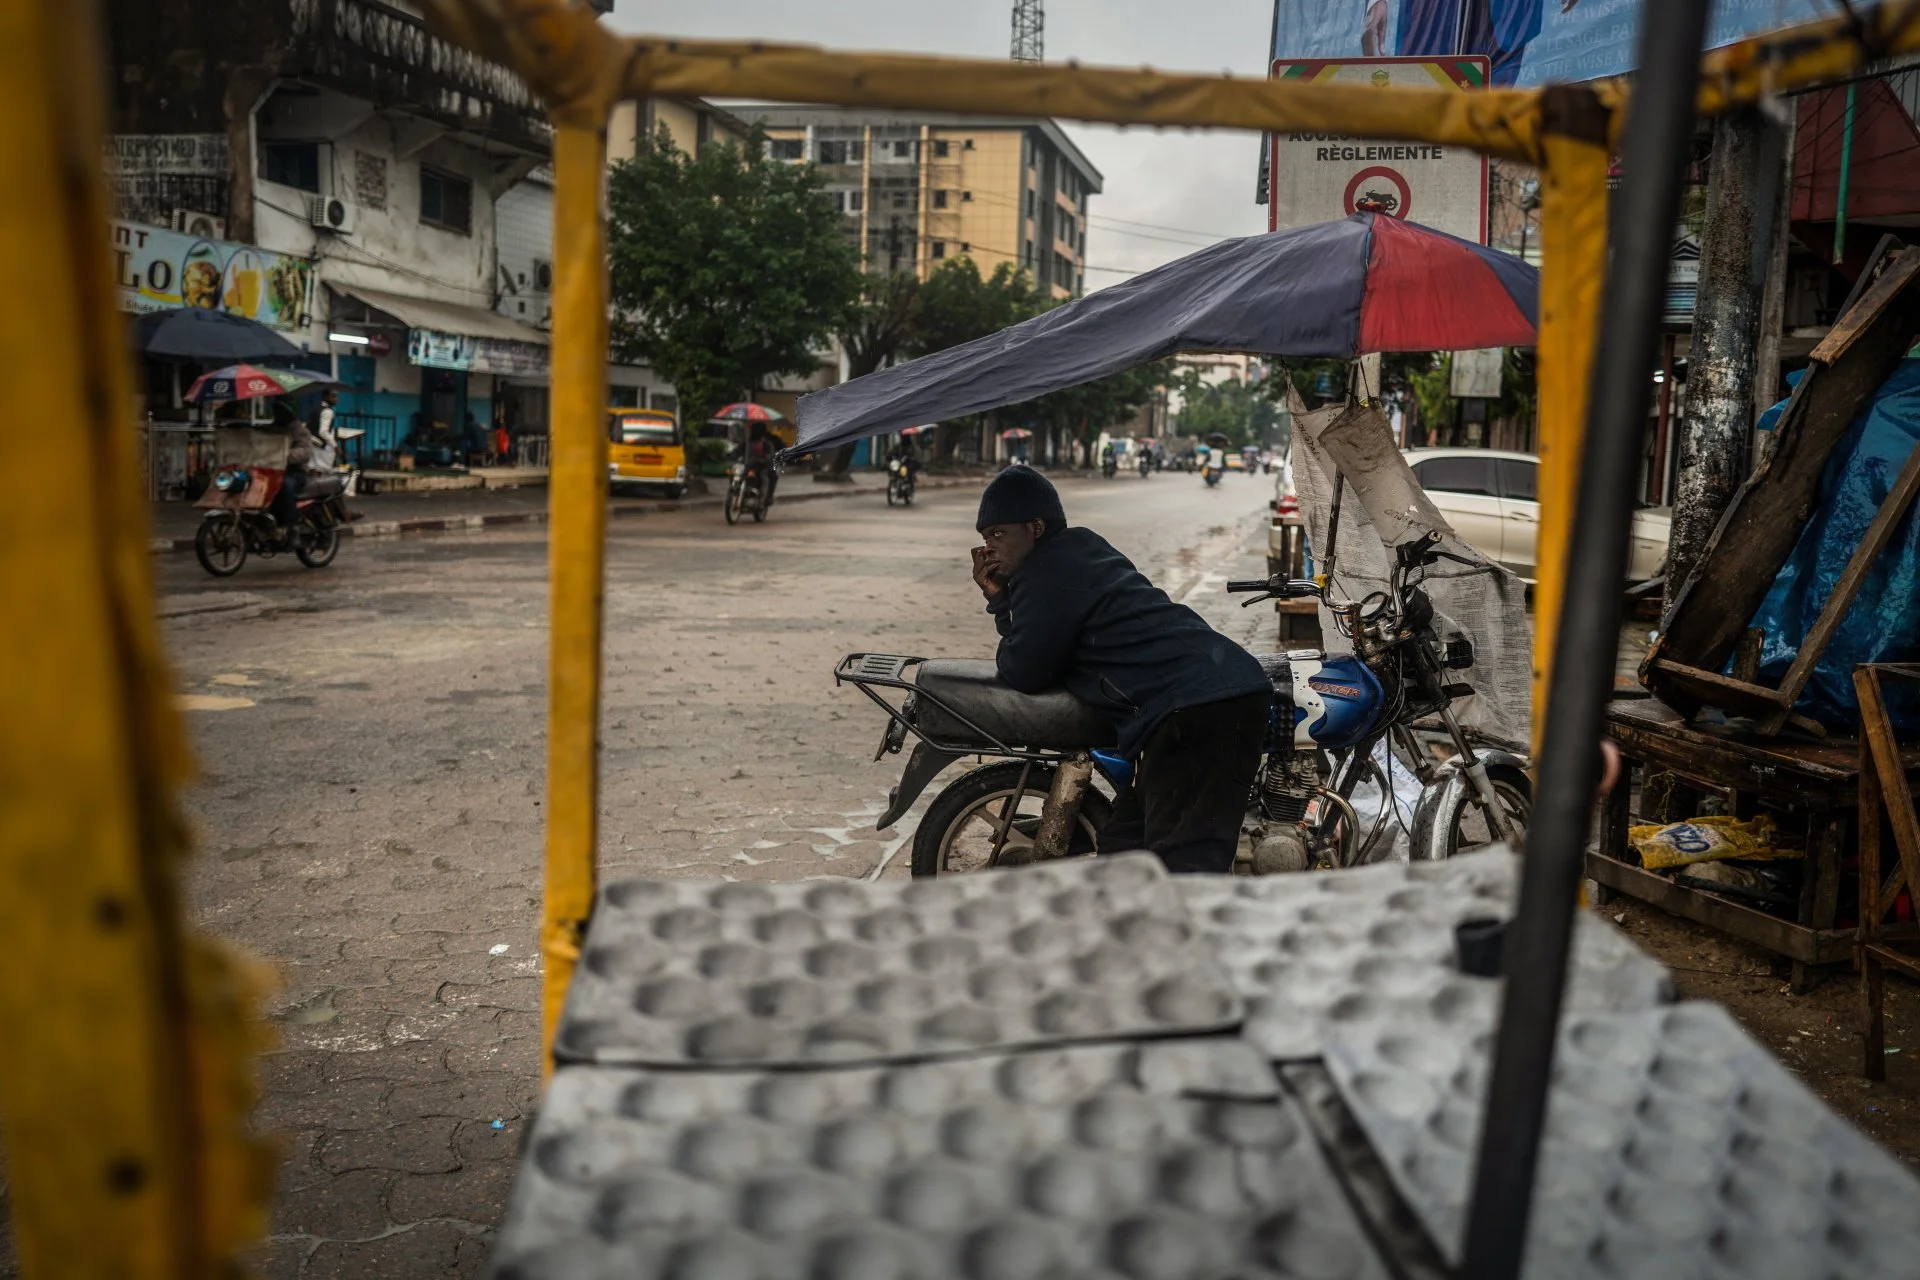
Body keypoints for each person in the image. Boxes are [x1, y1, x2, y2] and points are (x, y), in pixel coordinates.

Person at [969, 468, 1272, 873]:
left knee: (1184, 868)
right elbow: (1036, 643)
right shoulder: (1080, 549)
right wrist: (1004, 599)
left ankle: (1190, 934)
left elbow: (1024, 668)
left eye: (998, 535)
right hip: (1190, 704)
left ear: (1036, 528)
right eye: (985, 537)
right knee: (1124, 852)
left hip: (1201, 709)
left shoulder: (1049, 571)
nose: (988, 549)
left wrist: (998, 601)